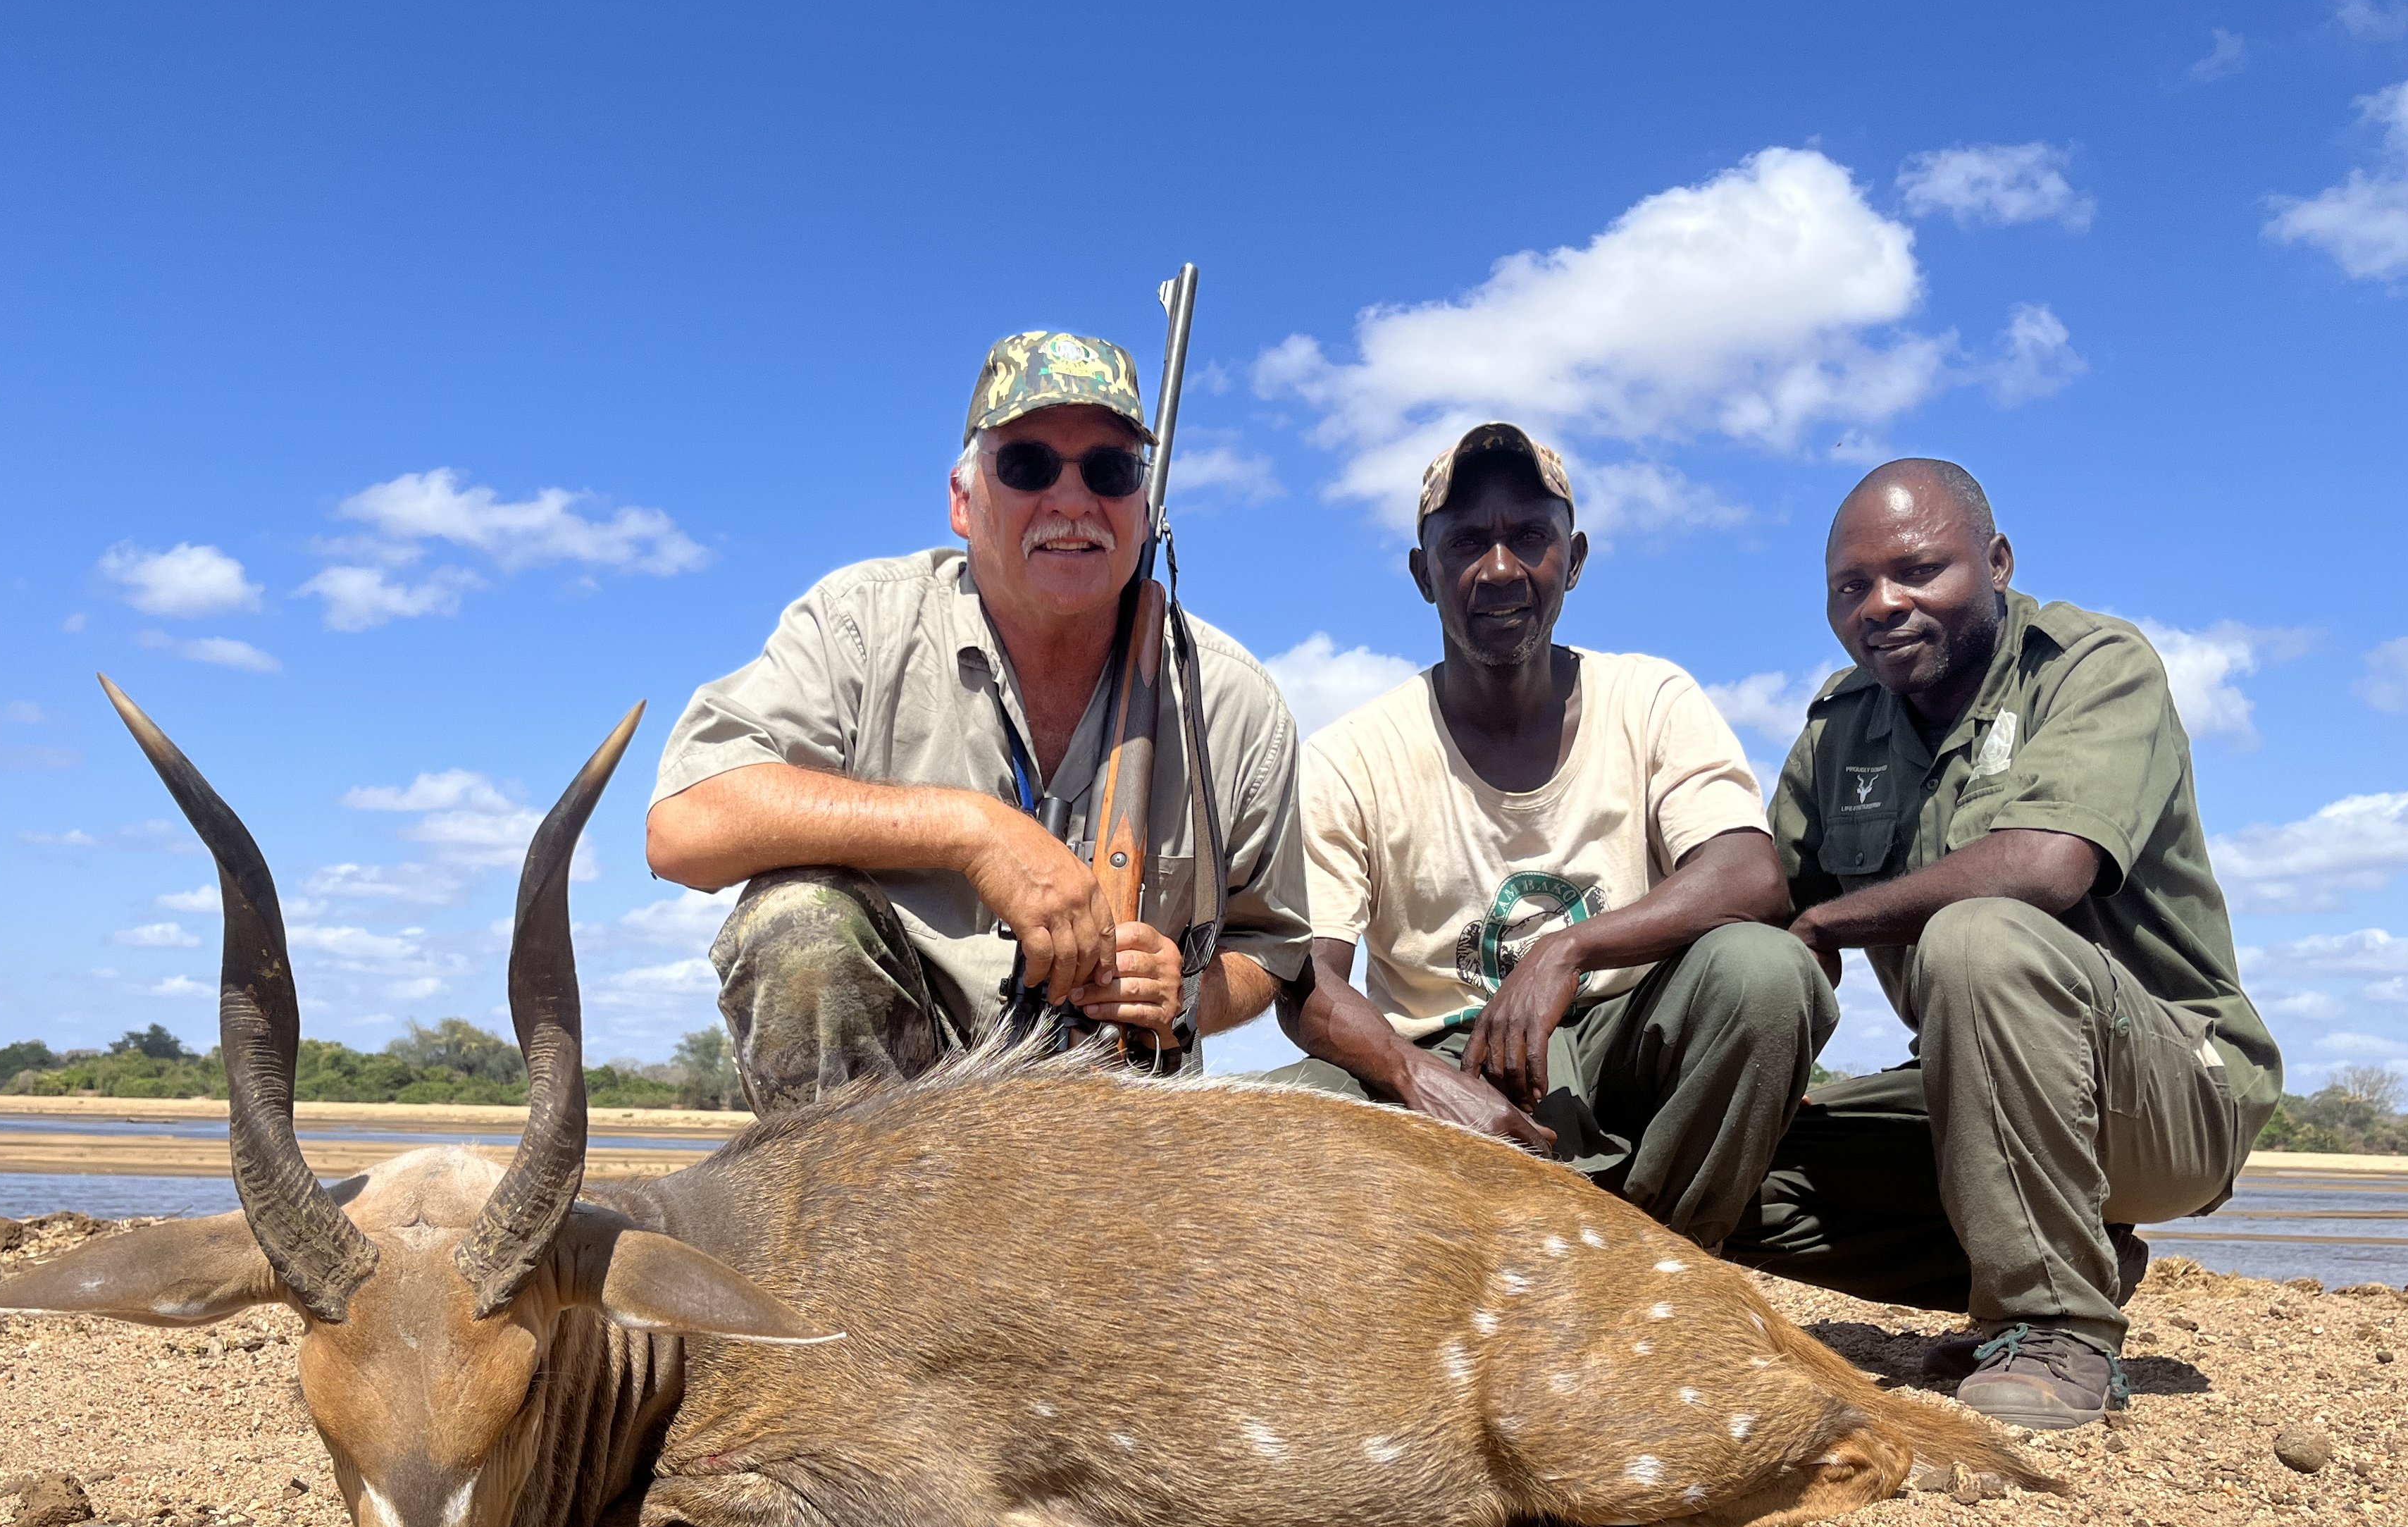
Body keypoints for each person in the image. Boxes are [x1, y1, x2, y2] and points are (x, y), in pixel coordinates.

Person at [1727, 458, 2281, 1428]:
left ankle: (2059, 1323)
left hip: (2174, 1090)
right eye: (1850, 588)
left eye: (1918, 571)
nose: (1883, 605)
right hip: (1979, 1088)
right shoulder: (1841, 722)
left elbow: (2045, 867)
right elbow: (1766, 893)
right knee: (1722, 1151)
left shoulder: (2095, 667)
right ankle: (2063, 1255)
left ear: (1997, 562)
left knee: (1977, 935)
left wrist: (1824, 925)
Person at [644, 330, 1310, 1112]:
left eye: (1110, 469)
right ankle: (849, 1225)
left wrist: (1192, 992)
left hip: (1121, 1119)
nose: (1071, 499)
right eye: (1027, 465)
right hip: (891, 1118)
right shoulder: (860, 627)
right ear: (964, 500)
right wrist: (971, 831)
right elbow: (685, 826)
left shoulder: (1233, 700)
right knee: (797, 923)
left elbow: (1274, 948)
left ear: (1145, 507)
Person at [1271, 422, 1832, 1254]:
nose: (1499, 569)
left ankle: (1659, 1275)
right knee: (1273, 1127)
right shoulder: (1352, 756)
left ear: (1573, 559)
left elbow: (1749, 873)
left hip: (1625, 1043)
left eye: (1528, 537)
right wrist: (1412, 1075)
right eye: (1466, 543)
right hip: (1441, 1060)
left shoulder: (1649, 698)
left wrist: (1561, 953)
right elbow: (1307, 979)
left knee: (1767, 973)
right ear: (1425, 574)